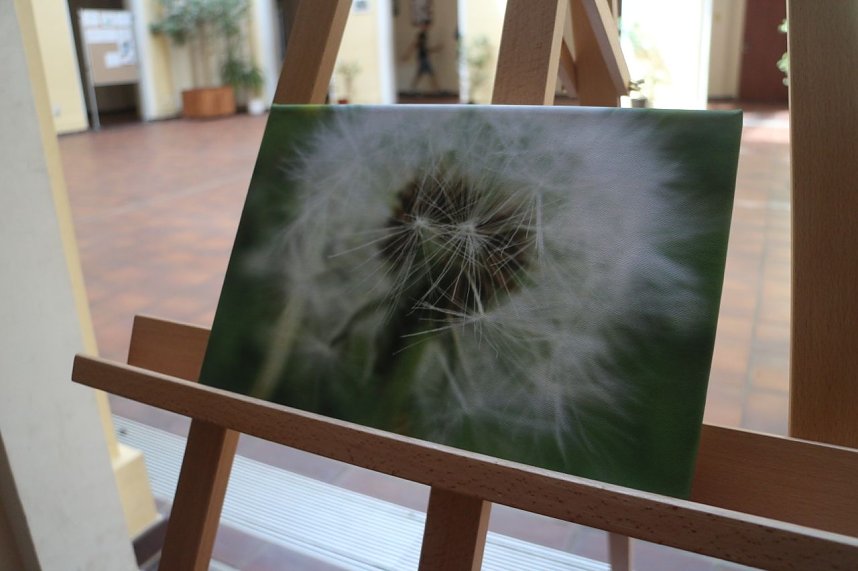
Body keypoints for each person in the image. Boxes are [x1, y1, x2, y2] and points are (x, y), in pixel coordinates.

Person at [403, 20, 441, 93]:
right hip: (423, 57)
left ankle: (412, 89)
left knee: (421, 74)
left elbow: (424, 48)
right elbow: (415, 44)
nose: (427, 27)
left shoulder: (425, 35)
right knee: (430, 73)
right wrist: (407, 54)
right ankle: (437, 90)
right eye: (426, 25)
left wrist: (435, 49)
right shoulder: (421, 35)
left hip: (424, 57)